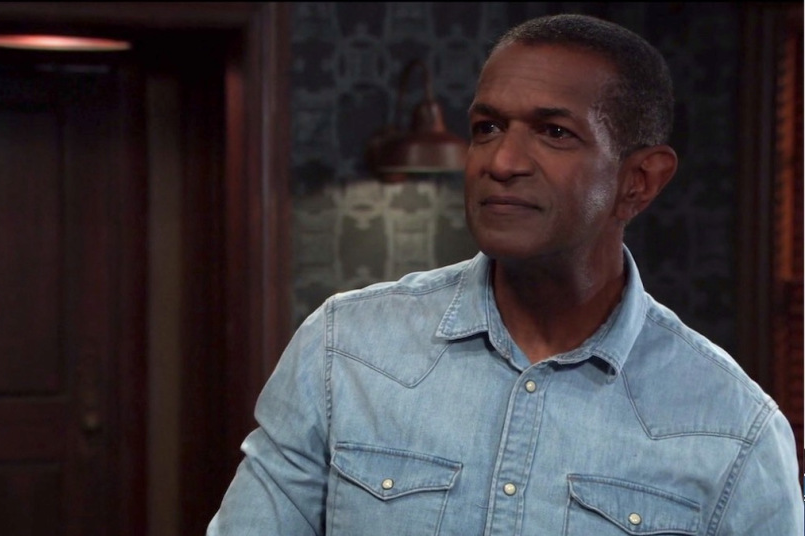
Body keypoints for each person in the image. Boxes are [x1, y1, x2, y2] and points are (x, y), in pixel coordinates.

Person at [207, 13, 804, 535]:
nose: (502, 161)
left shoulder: (734, 431)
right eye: (487, 128)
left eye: (554, 133)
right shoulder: (344, 350)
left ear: (639, 181)